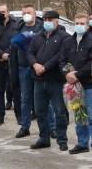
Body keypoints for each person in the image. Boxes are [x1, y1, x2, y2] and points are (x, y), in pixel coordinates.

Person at [28, 10, 71, 151]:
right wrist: (35, 64)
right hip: (39, 80)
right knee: (40, 111)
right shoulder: (37, 36)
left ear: (57, 21)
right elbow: (29, 52)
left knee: (59, 111)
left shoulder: (64, 37)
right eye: (45, 19)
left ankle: (62, 139)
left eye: (50, 19)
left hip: (55, 80)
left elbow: (60, 56)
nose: (46, 22)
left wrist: (45, 67)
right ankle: (44, 138)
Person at [64, 14, 92, 158]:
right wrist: (66, 74)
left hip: (89, 84)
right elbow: (62, 60)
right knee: (79, 114)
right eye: (77, 23)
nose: (79, 25)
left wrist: (77, 75)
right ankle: (82, 143)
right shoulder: (68, 41)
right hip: (73, 86)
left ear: (87, 26)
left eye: (82, 23)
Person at [11, 5, 42, 137]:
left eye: (28, 12)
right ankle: (25, 127)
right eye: (23, 13)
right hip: (23, 67)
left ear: (34, 14)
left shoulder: (41, 27)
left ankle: (50, 128)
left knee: (42, 99)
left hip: (38, 67)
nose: (26, 15)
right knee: (26, 99)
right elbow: (13, 46)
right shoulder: (18, 28)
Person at [0, 4, 20, 126]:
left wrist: (8, 53)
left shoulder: (16, 25)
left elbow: (16, 41)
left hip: (12, 62)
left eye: (3, 11)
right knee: (0, 91)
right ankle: (0, 116)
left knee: (16, 89)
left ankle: (19, 115)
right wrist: (1, 54)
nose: (1, 13)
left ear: (8, 12)